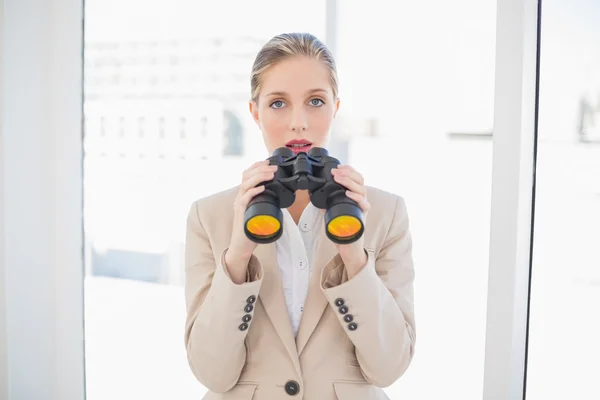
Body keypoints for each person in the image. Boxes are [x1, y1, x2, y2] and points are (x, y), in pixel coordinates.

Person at [183, 32, 416, 400]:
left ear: (335, 108)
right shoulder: (209, 217)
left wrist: (354, 258)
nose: (298, 122)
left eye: (315, 101)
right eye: (277, 103)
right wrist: (237, 257)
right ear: (254, 112)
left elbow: (388, 368)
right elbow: (212, 372)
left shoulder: (386, 214)